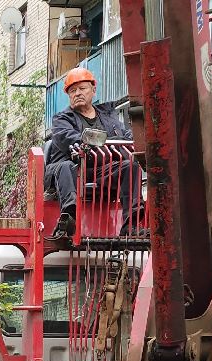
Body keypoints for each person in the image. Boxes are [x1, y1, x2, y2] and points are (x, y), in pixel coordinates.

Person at [44, 67, 138, 243]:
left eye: (82, 88)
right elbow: (69, 139)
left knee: (130, 166)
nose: (77, 93)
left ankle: (132, 222)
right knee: (67, 166)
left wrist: (138, 138)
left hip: (98, 169)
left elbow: (125, 136)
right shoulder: (61, 120)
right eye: (72, 90)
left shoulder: (108, 116)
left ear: (93, 90)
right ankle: (68, 217)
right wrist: (95, 143)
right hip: (69, 170)